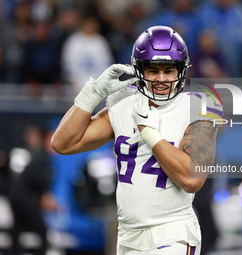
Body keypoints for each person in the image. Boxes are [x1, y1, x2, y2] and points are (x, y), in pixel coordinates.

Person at [51, 26, 223, 254]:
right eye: (153, 70)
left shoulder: (198, 107)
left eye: (169, 70)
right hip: (128, 237)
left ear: (182, 71)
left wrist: (148, 131)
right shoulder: (124, 102)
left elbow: (192, 178)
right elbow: (63, 143)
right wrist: (92, 93)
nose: (161, 79)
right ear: (139, 70)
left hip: (172, 234)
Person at [8, 125, 58, 255]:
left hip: (16, 196)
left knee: (17, 229)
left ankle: (15, 252)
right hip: (23, 197)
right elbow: (36, 179)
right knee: (41, 229)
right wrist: (44, 195)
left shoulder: (39, 155)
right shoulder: (41, 157)